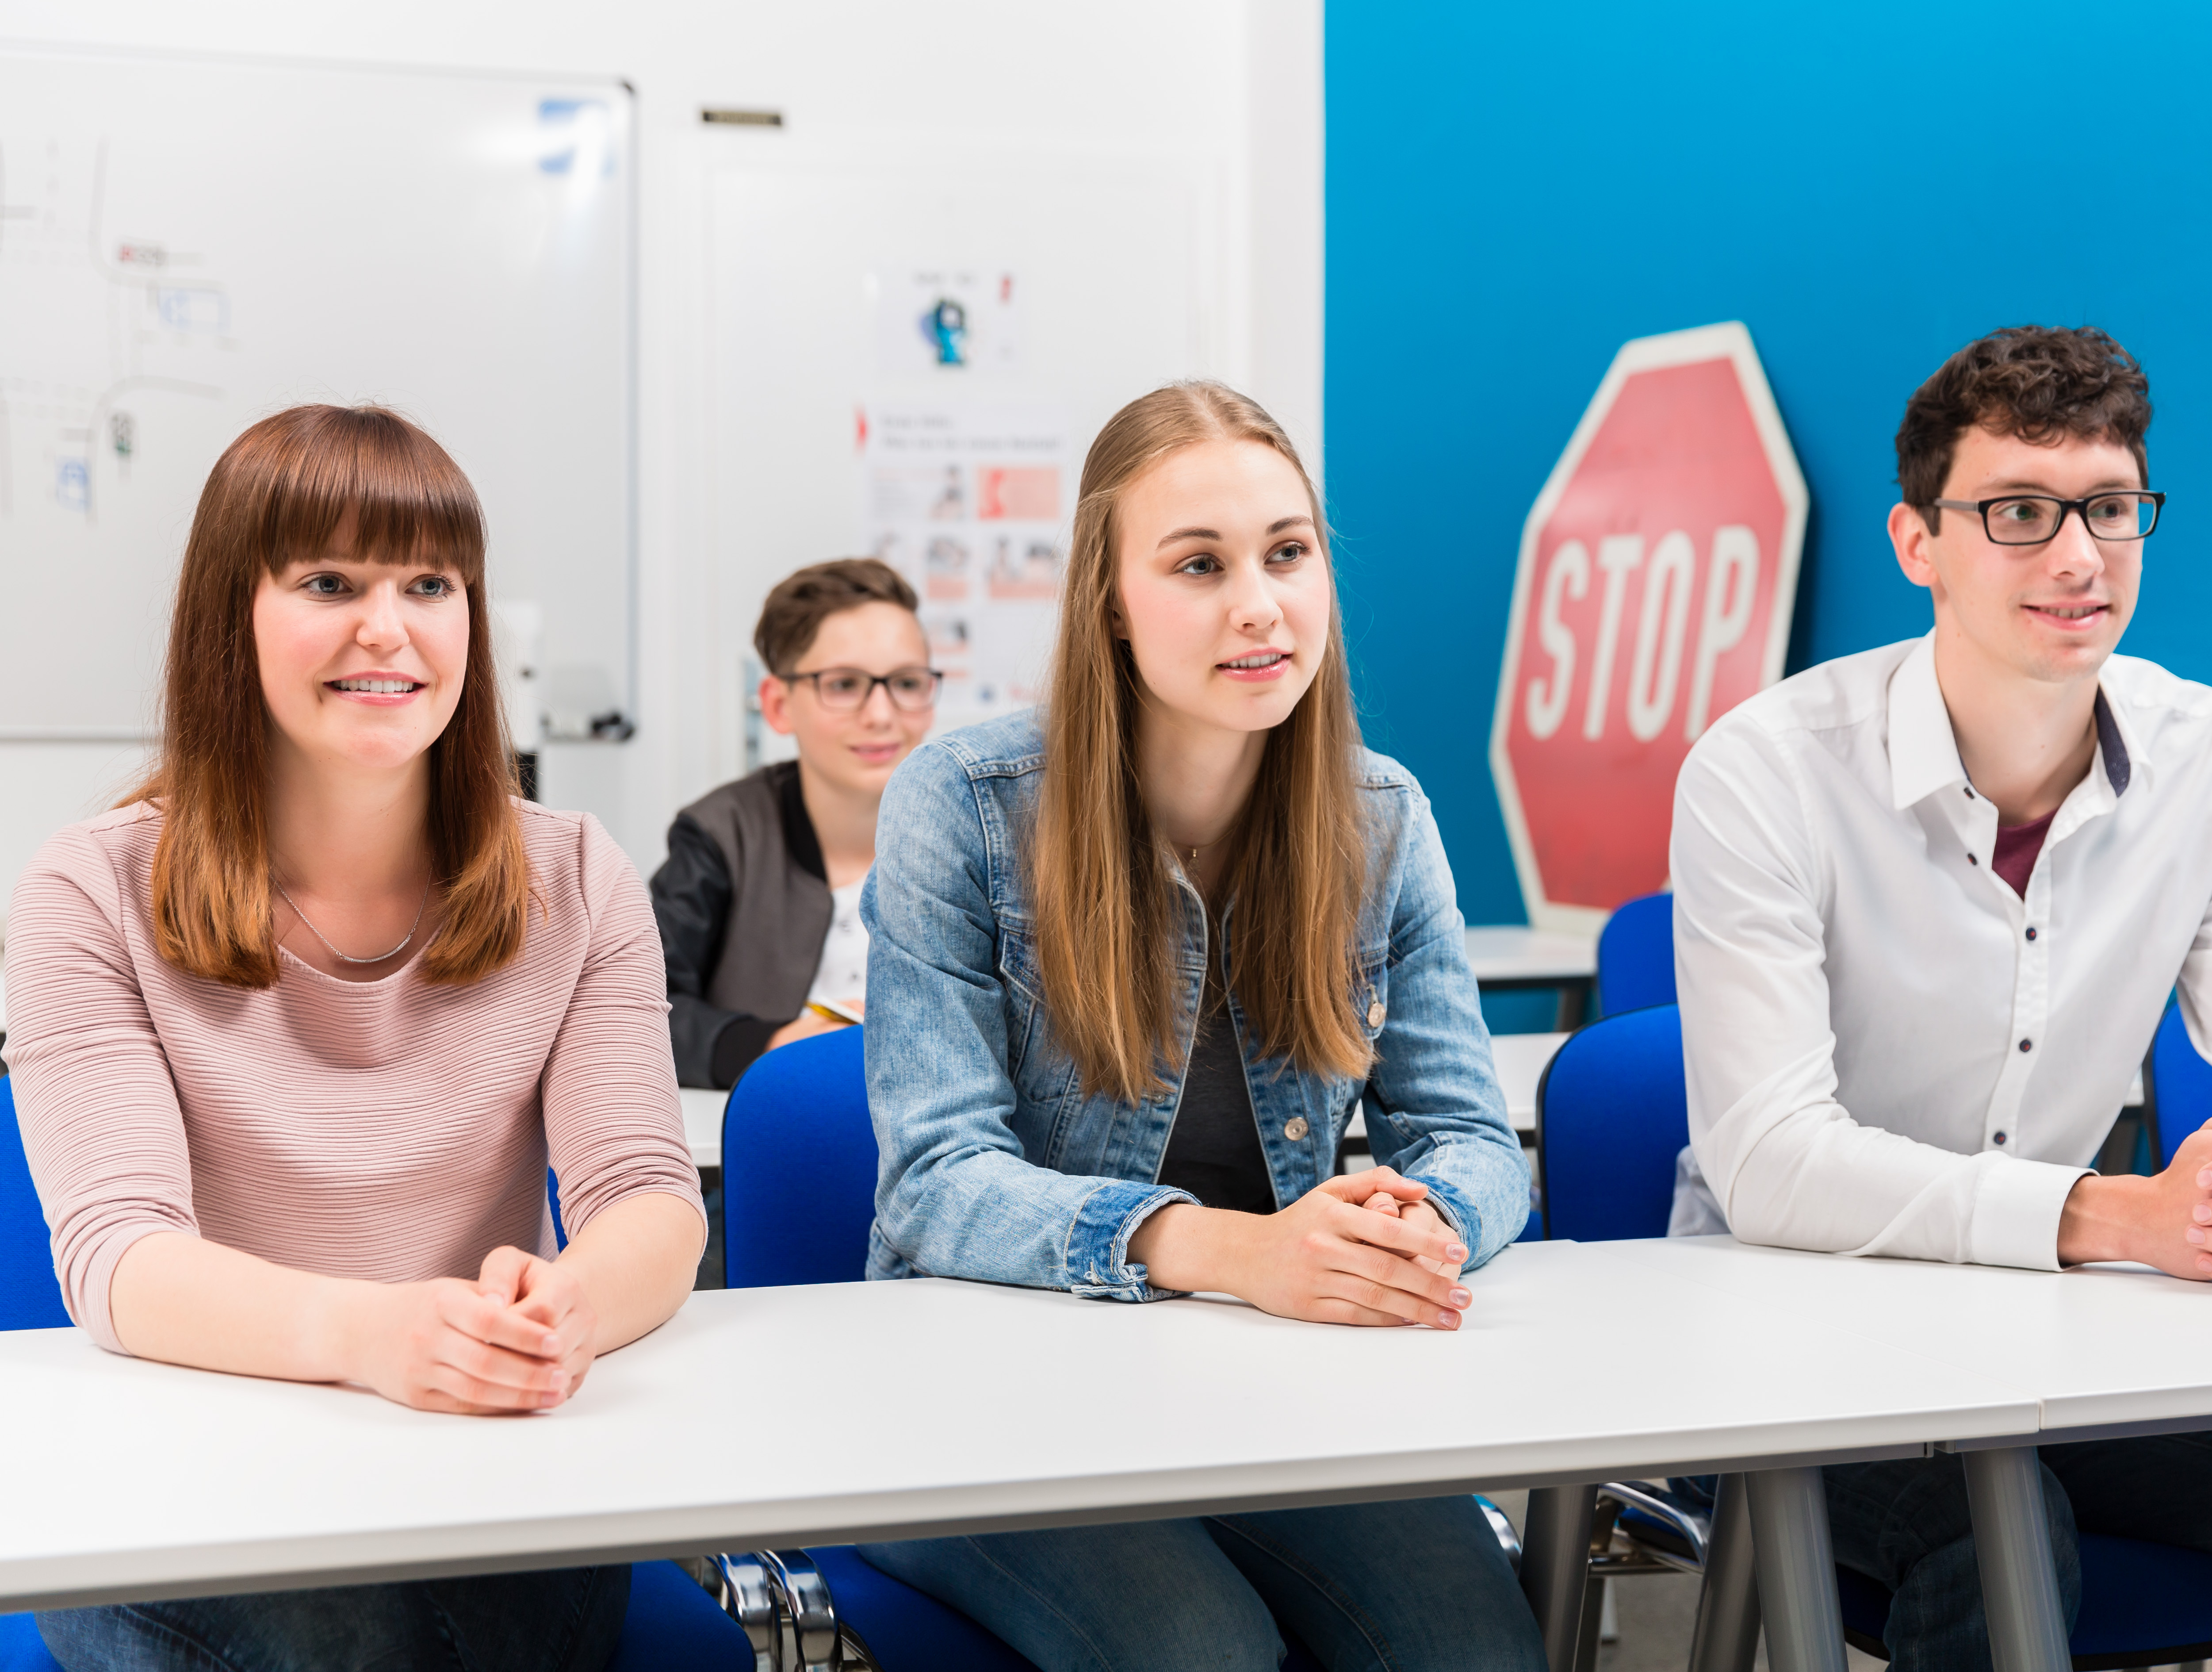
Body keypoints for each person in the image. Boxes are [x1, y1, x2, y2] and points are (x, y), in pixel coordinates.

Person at [1666, 325, 2212, 1668]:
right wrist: (2121, 1214)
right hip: (1802, 1352)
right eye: (2018, 512)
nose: (2079, 555)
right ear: (1919, 543)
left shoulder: (2206, 754)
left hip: (2065, 1348)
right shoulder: (1767, 770)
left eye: (2111, 507)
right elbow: (1773, 1161)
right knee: (1996, 1528)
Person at [853, 382, 1544, 1672]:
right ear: (1111, 603)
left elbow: (1466, 1130)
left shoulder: (1381, 813)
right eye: (1199, 564)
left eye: (1288, 553)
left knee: (1474, 1643)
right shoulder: (964, 801)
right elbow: (935, 1185)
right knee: (1198, 1647)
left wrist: (1413, 1220)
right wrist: (1232, 1250)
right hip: (990, 1391)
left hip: (1263, 1378)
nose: (1259, 604)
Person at [3, 406, 706, 1671]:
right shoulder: (86, 891)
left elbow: (648, 1196)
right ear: (234, 613)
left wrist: (569, 1308)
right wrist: (372, 1337)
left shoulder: (579, 878)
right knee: (342, 1626)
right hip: (194, 1481)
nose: (388, 628)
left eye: (430, 584)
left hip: (481, 1463)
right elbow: (119, 1255)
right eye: (329, 581)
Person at [650, 558, 938, 1087]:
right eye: (845, 684)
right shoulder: (720, 835)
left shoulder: (978, 837)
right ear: (779, 706)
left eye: (906, 682)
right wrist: (770, 1045)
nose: (881, 714)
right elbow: (629, 1008)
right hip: (775, 1144)